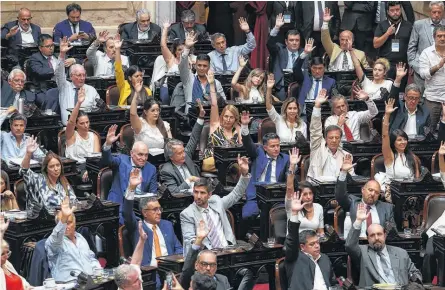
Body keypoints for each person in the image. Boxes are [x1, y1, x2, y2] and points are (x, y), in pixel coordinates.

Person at [180, 155, 251, 256]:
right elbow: (189, 241)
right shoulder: (187, 214)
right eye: (196, 192)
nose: (198, 196)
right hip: (206, 256)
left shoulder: (216, 202)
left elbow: (236, 194)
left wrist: (244, 174)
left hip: (228, 252)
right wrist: (199, 239)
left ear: (209, 195)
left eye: (202, 193)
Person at [345, 204, 422, 287]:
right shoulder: (362, 253)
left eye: (379, 234)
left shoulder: (401, 253)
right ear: (368, 238)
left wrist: (413, 285)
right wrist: (358, 221)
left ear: (384, 235)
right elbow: (349, 245)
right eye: (372, 235)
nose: (376, 238)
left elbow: (415, 273)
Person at [123, 169, 182, 267]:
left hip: (170, 269)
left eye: (159, 209)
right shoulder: (137, 227)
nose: (159, 212)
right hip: (149, 272)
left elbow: (179, 248)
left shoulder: (167, 225)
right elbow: (127, 212)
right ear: (145, 212)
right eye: (155, 209)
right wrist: (131, 188)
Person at [100, 125, 157, 224]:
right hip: (119, 205)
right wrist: (108, 144)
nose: (143, 158)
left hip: (140, 208)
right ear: (131, 153)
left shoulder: (151, 169)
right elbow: (106, 160)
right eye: (140, 154)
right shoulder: (121, 160)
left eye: (146, 155)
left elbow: (153, 194)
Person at [240, 110, 290, 218]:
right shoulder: (258, 153)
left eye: (278, 145)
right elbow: (248, 144)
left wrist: (293, 166)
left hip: (276, 197)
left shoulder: (286, 159)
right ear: (265, 147)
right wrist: (244, 126)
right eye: (273, 146)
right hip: (256, 196)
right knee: (246, 215)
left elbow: (290, 180)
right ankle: (247, 235)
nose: (276, 149)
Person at [180, 220, 253, 290]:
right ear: (196, 265)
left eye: (212, 265)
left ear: (216, 267)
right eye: (204, 264)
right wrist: (199, 240)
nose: (208, 268)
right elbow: (187, 270)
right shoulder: (191, 280)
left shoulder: (222, 280)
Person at [285, 191, 336, 290]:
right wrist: (295, 213)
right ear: (302, 247)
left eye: (317, 243)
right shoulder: (295, 258)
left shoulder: (324, 259)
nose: (317, 246)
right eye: (312, 244)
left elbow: (333, 283)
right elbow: (291, 241)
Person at [336, 155, 395, 238]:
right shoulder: (353, 203)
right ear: (363, 190)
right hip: (357, 244)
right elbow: (340, 195)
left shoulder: (387, 208)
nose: (373, 194)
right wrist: (343, 172)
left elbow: (392, 232)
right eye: (370, 190)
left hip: (377, 244)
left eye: (376, 192)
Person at [45, 196, 101, 282]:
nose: (66, 227)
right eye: (64, 224)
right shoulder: (55, 241)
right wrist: (63, 218)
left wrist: (98, 271)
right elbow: (55, 239)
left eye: (69, 223)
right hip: (69, 284)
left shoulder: (81, 238)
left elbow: (91, 258)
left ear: (75, 223)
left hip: (89, 283)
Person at [21, 137, 78, 214]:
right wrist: (28, 154)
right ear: (46, 169)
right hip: (41, 220)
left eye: (58, 165)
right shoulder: (38, 180)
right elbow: (24, 171)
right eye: (52, 166)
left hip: (62, 217)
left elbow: (74, 202)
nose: (56, 169)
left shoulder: (63, 182)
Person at [307, 90, 355, 180]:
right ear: (325, 138)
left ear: (340, 139)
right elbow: (315, 130)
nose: (334, 140)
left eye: (337, 138)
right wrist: (317, 106)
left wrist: (344, 172)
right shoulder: (317, 148)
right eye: (331, 137)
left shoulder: (347, 156)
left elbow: (351, 179)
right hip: (318, 190)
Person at [160, 103, 205, 195]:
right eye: (179, 153)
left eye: (183, 151)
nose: (184, 154)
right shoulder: (167, 171)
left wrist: (200, 117)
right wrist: (189, 180)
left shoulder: (187, 155)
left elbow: (194, 138)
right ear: (171, 157)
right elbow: (174, 192)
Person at [202, 71, 240, 172]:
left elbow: (242, 148)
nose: (227, 119)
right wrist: (211, 85)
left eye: (231, 117)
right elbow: (214, 104)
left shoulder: (237, 129)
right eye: (226, 116)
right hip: (212, 160)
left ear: (235, 119)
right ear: (222, 116)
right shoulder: (215, 125)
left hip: (231, 162)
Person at [179, 32, 226, 114]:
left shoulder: (216, 83)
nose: (201, 68)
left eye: (204, 66)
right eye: (199, 65)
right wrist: (186, 48)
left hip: (212, 116)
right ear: (195, 66)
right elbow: (182, 66)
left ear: (209, 67)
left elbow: (223, 103)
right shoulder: (189, 79)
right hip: (192, 117)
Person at [56, 37, 98, 125]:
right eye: (79, 75)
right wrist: (62, 54)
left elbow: (97, 110)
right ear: (71, 76)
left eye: (84, 75)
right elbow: (59, 72)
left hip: (86, 127)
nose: (82, 78)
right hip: (67, 128)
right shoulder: (64, 86)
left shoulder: (91, 90)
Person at [374, 1, 413, 91]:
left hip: (402, 64)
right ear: (387, 11)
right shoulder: (382, 25)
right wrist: (387, 33)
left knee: (400, 91)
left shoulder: (408, 25)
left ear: (401, 10)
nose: (395, 12)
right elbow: (375, 44)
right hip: (386, 64)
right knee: (385, 91)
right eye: (392, 10)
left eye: (397, 10)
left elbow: (413, 45)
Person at [408, 1, 445, 91]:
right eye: (434, 12)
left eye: (439, 12)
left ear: (442, 12)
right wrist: (415, 66)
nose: (436, 15)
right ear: (429, 12)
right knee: (419, 99)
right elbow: (411, 47)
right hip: (421, 70)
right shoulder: (419, 25)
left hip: (442, 71)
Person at [267, 14, 304, 100]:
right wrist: (276, 27)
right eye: (291, 40)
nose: (294, 43)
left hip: (299, 84)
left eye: (297, 40)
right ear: (286, 42)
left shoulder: (304, 52)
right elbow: (269, 44)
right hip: (282, 85)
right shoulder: (279, 49)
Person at [384, 67, 429, 136]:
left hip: (417, 144)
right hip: (399, 143)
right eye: (410, 97)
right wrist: (398, 79)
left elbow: (428, 134)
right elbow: (391, 99)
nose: (413, 101)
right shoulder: (397, 108)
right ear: (405, 97)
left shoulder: (425, 112)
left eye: (416, 98)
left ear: (419, 99)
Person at [382, 98, 420, 180]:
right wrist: (387, 115)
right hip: (393, 189)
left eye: (405, 139)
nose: (403, 142)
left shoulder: (412, 156)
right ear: (393, 142)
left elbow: (417, 178)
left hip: (409, 190)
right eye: (399, 140)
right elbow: (385, 136)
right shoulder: (389, 155)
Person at [423, 142, 445, 282]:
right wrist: (441, 156)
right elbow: (443, 173)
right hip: (439, 232)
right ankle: (426, 283)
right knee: (430, 254)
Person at [293, 39, 336, 109]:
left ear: (324, 68)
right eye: (314, 68)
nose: (317, 71)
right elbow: (295, 68)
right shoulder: (304, 77)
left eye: (320, 68)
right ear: (310, 68)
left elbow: (334, 100)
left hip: (322, 110)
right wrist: (305, 53)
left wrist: (325, 101)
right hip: (304, 111)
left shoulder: (331, 82)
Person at [130, 79, 172, 150]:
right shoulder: (140, 124)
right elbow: (133, 114)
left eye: (158, 110)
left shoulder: (164, 125)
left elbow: (170, 146)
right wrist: (136, 94)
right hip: (142, 158)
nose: (156, 113)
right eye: (152, 110)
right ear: (146, 112)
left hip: (160, 159)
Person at [64, 87, 101, 164]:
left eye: (87, 122)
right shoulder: (71, 135)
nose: (86, 125)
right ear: (76, 125)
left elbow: (96, 158)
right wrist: (79, 103)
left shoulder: (94, 136)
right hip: (75, 168)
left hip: (90, 167)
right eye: (82, 123)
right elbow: (71, 122)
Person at [419, 25, 445, 131]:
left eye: (444, 36)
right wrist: (439, 65)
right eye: (439, 36)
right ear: (434, 37)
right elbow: (423, 74)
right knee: (429, 130)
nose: (442, 38)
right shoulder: (426, 53)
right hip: (432, 98)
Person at [285, 164, 324, 235]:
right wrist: (292, 167)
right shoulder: (293, 206)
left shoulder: (318, 207)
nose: (308, 197)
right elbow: (289, 188)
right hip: (295, 242)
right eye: (305, 194)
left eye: (310, 193)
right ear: (299, 195)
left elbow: (321, 232)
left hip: (311, 244)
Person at [113, 34, 152, 106]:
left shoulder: (147, 90)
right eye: (136, 76)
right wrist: (117, 49)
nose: (140, 78)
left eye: (141, 75)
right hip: (127, 116)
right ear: (130, 78)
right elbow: (118, 70)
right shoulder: (124, 86)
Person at [265, 74, 307, 141]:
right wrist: (269, 88)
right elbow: (269, 106)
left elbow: (303, 143)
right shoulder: (278, 120)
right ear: (285, 110)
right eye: (290, 108)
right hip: (281, 151)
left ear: (298, 110)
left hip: (297, 150)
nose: (292, 111)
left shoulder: (302, 124)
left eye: (295, 108)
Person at [0, 215, 32, 290]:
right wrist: (1, 233)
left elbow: (21, 281)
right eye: (2, 254)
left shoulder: (7, 265)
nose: (6, 256)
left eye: (7, 252)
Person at [151, 20, 185, 87]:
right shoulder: (171, 59)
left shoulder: (191, 59)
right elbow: (163, 45)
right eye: (179, 50)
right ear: (175, 51)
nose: (182, 52)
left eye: (184, 50)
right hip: (171, 87)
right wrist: (165, 28)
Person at [114, 221, 147, 290]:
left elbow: (136, 262)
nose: (140, 281)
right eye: (136, 281)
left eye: (138, 278)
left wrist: (142, 239)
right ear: (124, 287)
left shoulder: (133, 276)